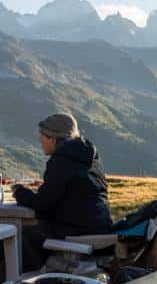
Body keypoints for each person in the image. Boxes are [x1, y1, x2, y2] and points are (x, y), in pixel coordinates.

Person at [12, 113, 113, 272]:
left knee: (22, 236)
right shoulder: (89, 156)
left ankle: (27, 283)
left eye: (42, 137)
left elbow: (43, 205)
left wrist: (19, 191)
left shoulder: (60, 161)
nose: (40, 142)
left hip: (77, 230)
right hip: (102, 227)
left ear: (52, 138)